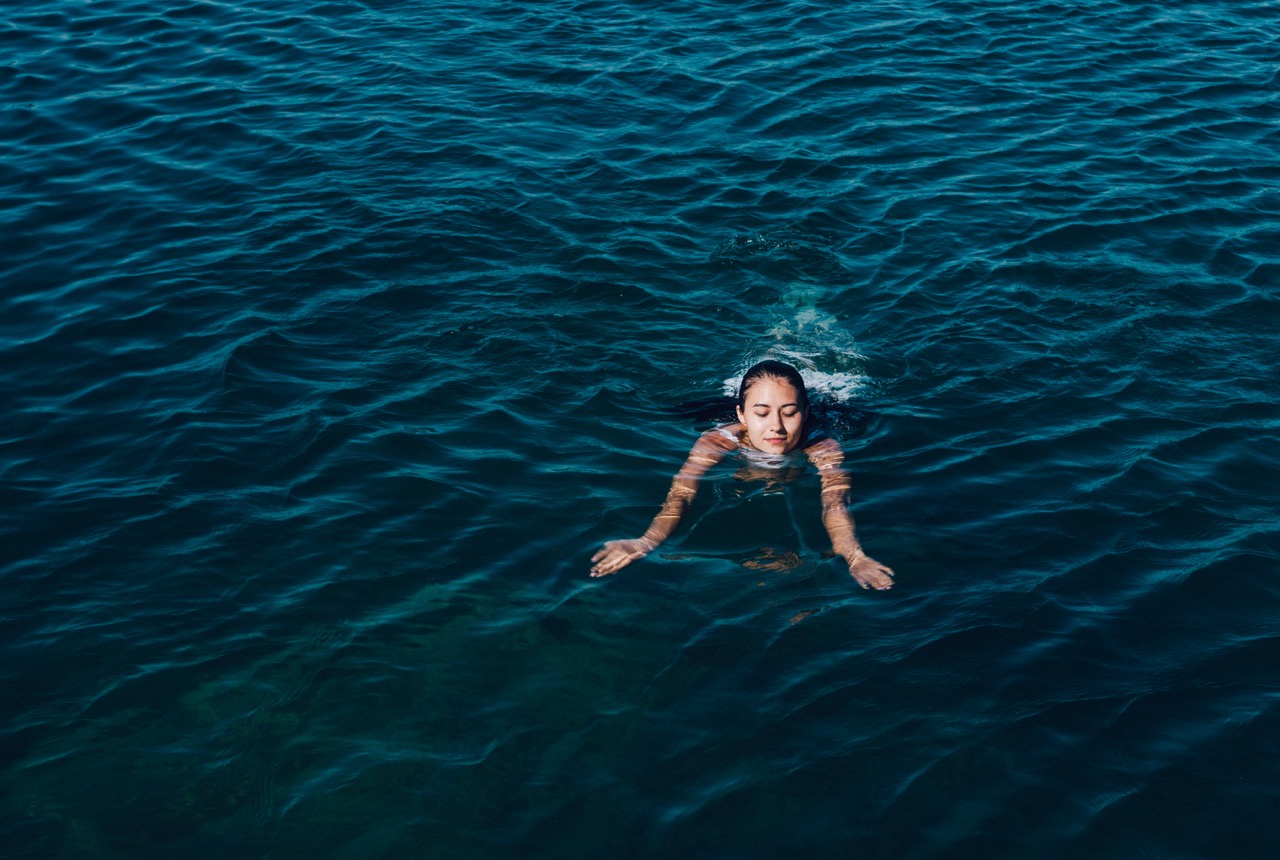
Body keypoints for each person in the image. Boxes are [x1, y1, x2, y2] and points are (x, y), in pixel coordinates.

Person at [590, 360, 894, 589]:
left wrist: (856, 557)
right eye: (761, 414)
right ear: (741, 415)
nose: (776, 426)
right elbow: (681, 495)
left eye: (789, 413)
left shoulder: (823, 446)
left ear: (805, 412)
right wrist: (645, 542)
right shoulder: (718, 440)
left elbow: (835, 503)